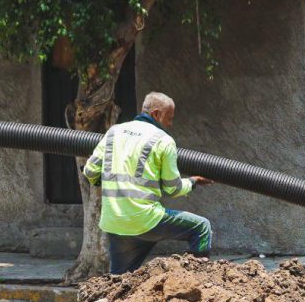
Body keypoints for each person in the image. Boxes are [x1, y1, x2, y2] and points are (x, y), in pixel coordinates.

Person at [82, 92, 213, 275]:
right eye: (169, 118)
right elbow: (173, 189)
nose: (170, 124)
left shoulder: (114, 132)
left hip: (114, 222)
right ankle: (200, 283)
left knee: (119, 281)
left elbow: (89, 172)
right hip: (145, 219)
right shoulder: (163, 140)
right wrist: (193, 181)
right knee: (201, 227)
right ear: (156, 114)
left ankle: (110, 294)